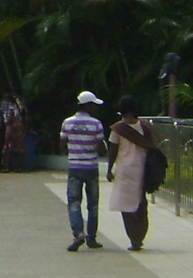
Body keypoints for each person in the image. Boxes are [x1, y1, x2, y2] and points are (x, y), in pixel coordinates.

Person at [107, 96, 156, 251]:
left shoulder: (118, 129)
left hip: (124, 171)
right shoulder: (145, 126)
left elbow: (112, 151)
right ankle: (141, 234)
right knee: (141, 202)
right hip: (142, 169)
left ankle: (134, 239)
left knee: (126, 207)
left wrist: (109, 169)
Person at [61, 90, 107, 252]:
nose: (95, 108)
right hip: (91, 168)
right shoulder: (96, 124)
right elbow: (101, 148)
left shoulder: (67, 123)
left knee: (74, 203)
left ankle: (78, 234)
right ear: (87, 106)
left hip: (74, 167)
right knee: (93, 205)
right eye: (93, 105)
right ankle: (91, 238)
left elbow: (62, 145)